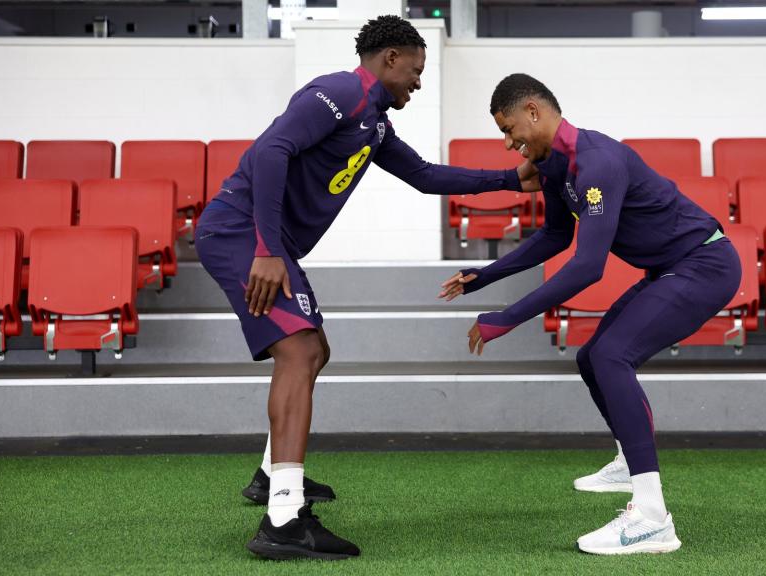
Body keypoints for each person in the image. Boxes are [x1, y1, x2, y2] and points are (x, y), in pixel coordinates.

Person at [195, 17, 536, 561]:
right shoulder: (339, 92)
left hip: (265, 238)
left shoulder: (373, 121)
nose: (418, 84)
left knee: (315, 349)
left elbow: (424, 175)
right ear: (391, 57)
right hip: (242, 231)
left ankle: (272, 474)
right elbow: (269, 153)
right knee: (300, 349)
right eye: (416, 71)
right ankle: (282, 520)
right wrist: (265, 249)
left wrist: (508, 180)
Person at [440, 73, 741, 555]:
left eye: (509, 128)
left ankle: (652, 518)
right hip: (668, 269)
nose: (507, 143)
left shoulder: (597, 162)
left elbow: (587, 268)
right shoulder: (558, 167)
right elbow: (556, 237)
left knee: (612, 357)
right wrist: (486, 275)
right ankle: (629, 458)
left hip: (704, 263)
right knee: (592, 357)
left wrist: (508, 317)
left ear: (534, 111)